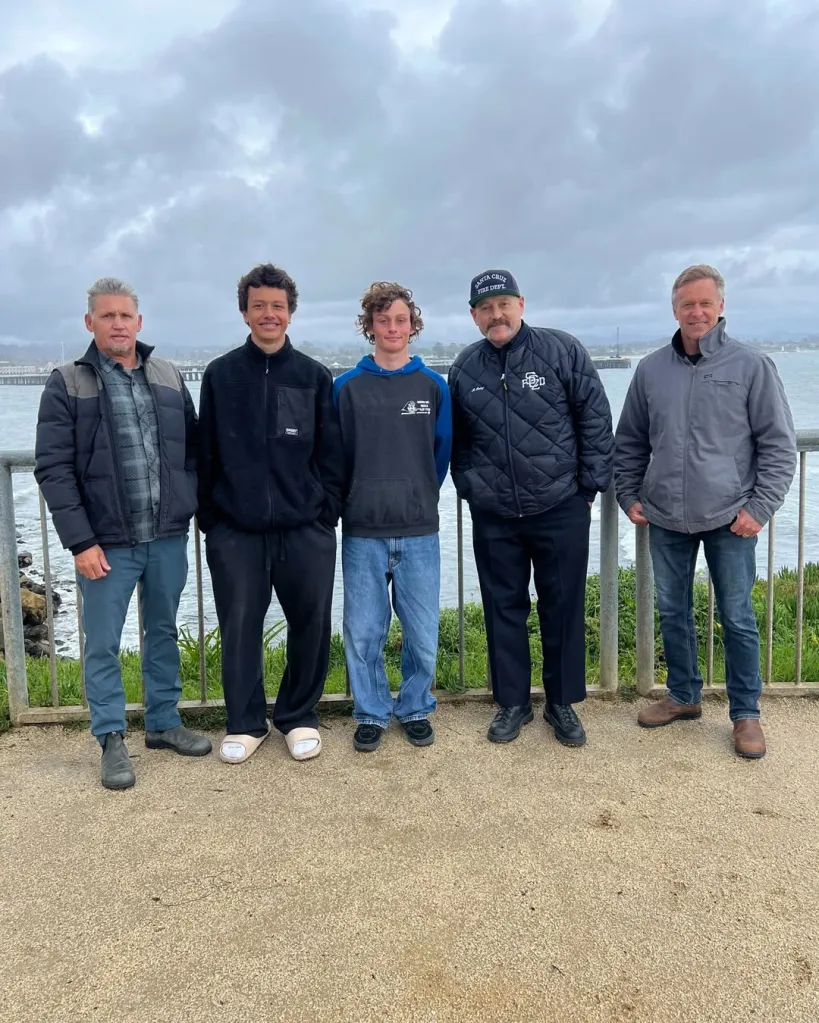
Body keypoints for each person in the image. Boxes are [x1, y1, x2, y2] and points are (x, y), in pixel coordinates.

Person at [34, 277, 210, 790]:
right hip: (105, 544)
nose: (118, 324)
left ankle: (163, 722)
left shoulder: (168, 375)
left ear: (139, 321)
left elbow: (193, 450)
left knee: (162, 632)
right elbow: (54, 469)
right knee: (103, 643)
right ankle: (111, 737)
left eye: (125, 316)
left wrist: (189, 500)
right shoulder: (67, 382)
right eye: (107, 316)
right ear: (90, 323)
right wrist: (80, 542)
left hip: (166, 537)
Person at [614, 264, 797, 758]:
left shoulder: (751, 366)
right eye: (686, 304)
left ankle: (746, 714)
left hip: (731, 519)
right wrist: (628, 495)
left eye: (704, 303)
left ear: (720, 308)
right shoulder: (650, 369)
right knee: (673, 612)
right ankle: (683, 695)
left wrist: (759, 508)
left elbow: (778, 446)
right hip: (665, 516)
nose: (696, 312)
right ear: (674, 310)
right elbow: (629, 440)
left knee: (737, 617)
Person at [449, 269, 614, 745]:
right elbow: (457, 441)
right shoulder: (464, 368)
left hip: (561, 504)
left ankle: (561, 703)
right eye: (485, 307)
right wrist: (470, 489)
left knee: (562, 607)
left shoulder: (562, 350)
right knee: (503, 607)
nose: (496, 314)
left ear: (521, 304)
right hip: (494, 512)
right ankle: (513, 703)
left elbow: (596, 420)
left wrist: (588, 490)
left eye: (504, 304)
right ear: (474, 315)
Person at [197, 264, 344, 765]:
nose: (268, 314)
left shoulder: (313, 375)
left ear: (290, 313)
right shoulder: (219, 375)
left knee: (311, 623)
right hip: (235, 530)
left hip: (306, 529)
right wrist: (211, 520)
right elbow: (205, 453)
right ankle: (244, 723)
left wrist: (326, 516)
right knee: (239, 626)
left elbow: (332, 455)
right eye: (258, 305)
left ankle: (298, 717)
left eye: (277, 306)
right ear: (244, 312)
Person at [333, 282, 451, 752]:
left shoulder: (433, 386)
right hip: (362, 530)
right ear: (370, 327)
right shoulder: (345, 387)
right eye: (383, 320)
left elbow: (441, 454)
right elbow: (336, 456)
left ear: (413, 325)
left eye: (401, 320)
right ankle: (371, 711)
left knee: (422, 631)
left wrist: (419, 493)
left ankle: (416, 705)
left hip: (419, 528)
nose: (393, 328)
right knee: (363, 631)